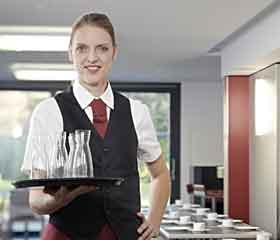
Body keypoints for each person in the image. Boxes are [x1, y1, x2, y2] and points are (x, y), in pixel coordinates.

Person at [21, 12, 171, 240]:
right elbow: (36, 200)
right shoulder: (48, 112)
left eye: (102, 48)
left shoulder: (137, 112)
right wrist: (59, 199)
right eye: (81, 48)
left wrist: (155, 219)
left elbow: (160, 173)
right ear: (70, 54)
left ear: (114, 53)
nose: (92, 57)